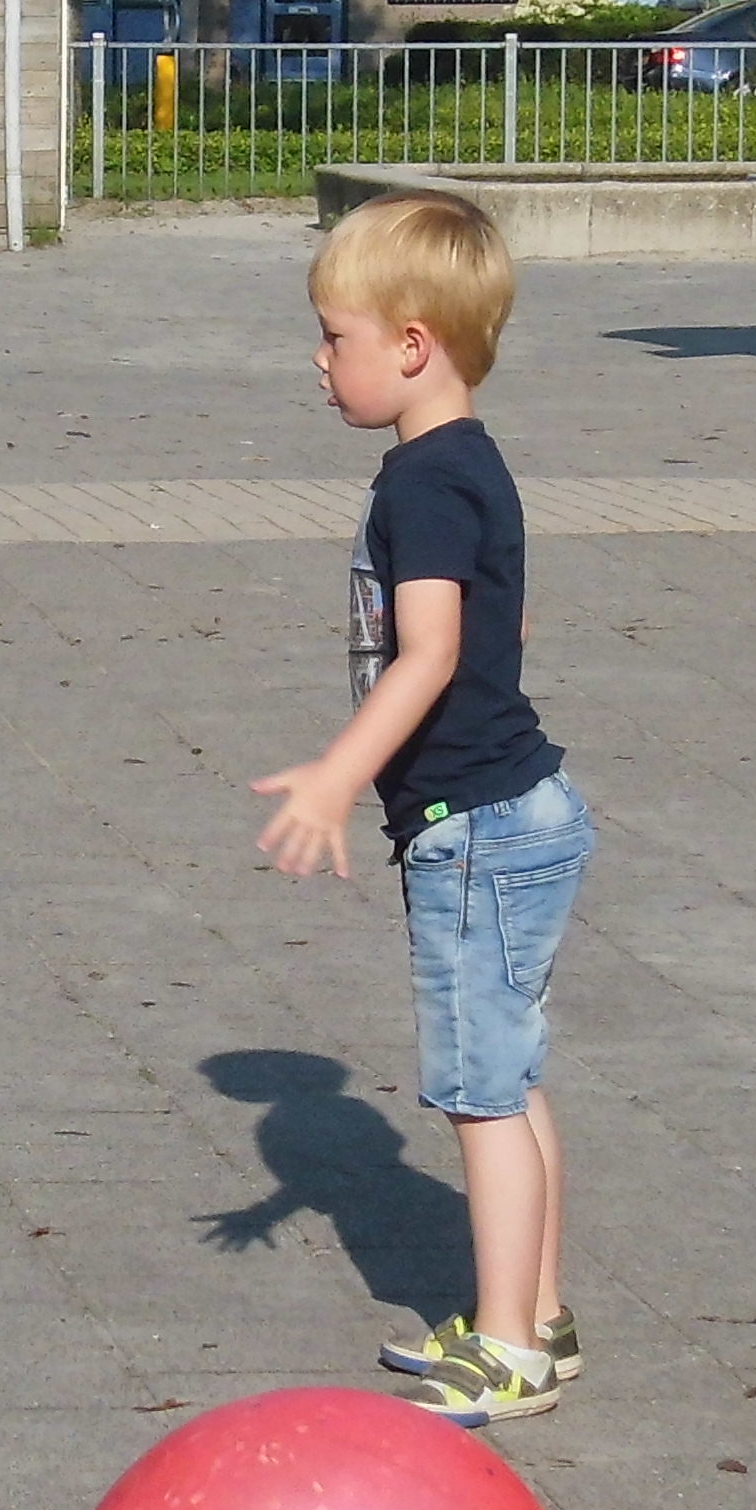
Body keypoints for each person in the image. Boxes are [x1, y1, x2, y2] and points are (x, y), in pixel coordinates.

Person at [249, 193, 592, 1428]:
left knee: (479, 1093)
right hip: (518, 814)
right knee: (513, 1075)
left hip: (479, 828)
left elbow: (431, 652)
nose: (319, 361)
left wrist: (342, 775)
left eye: (333, 336)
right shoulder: (463, 464)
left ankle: (507, 1348)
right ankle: (536, 1320)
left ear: (409, 344)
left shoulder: (424, 487)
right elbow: (500, 629)